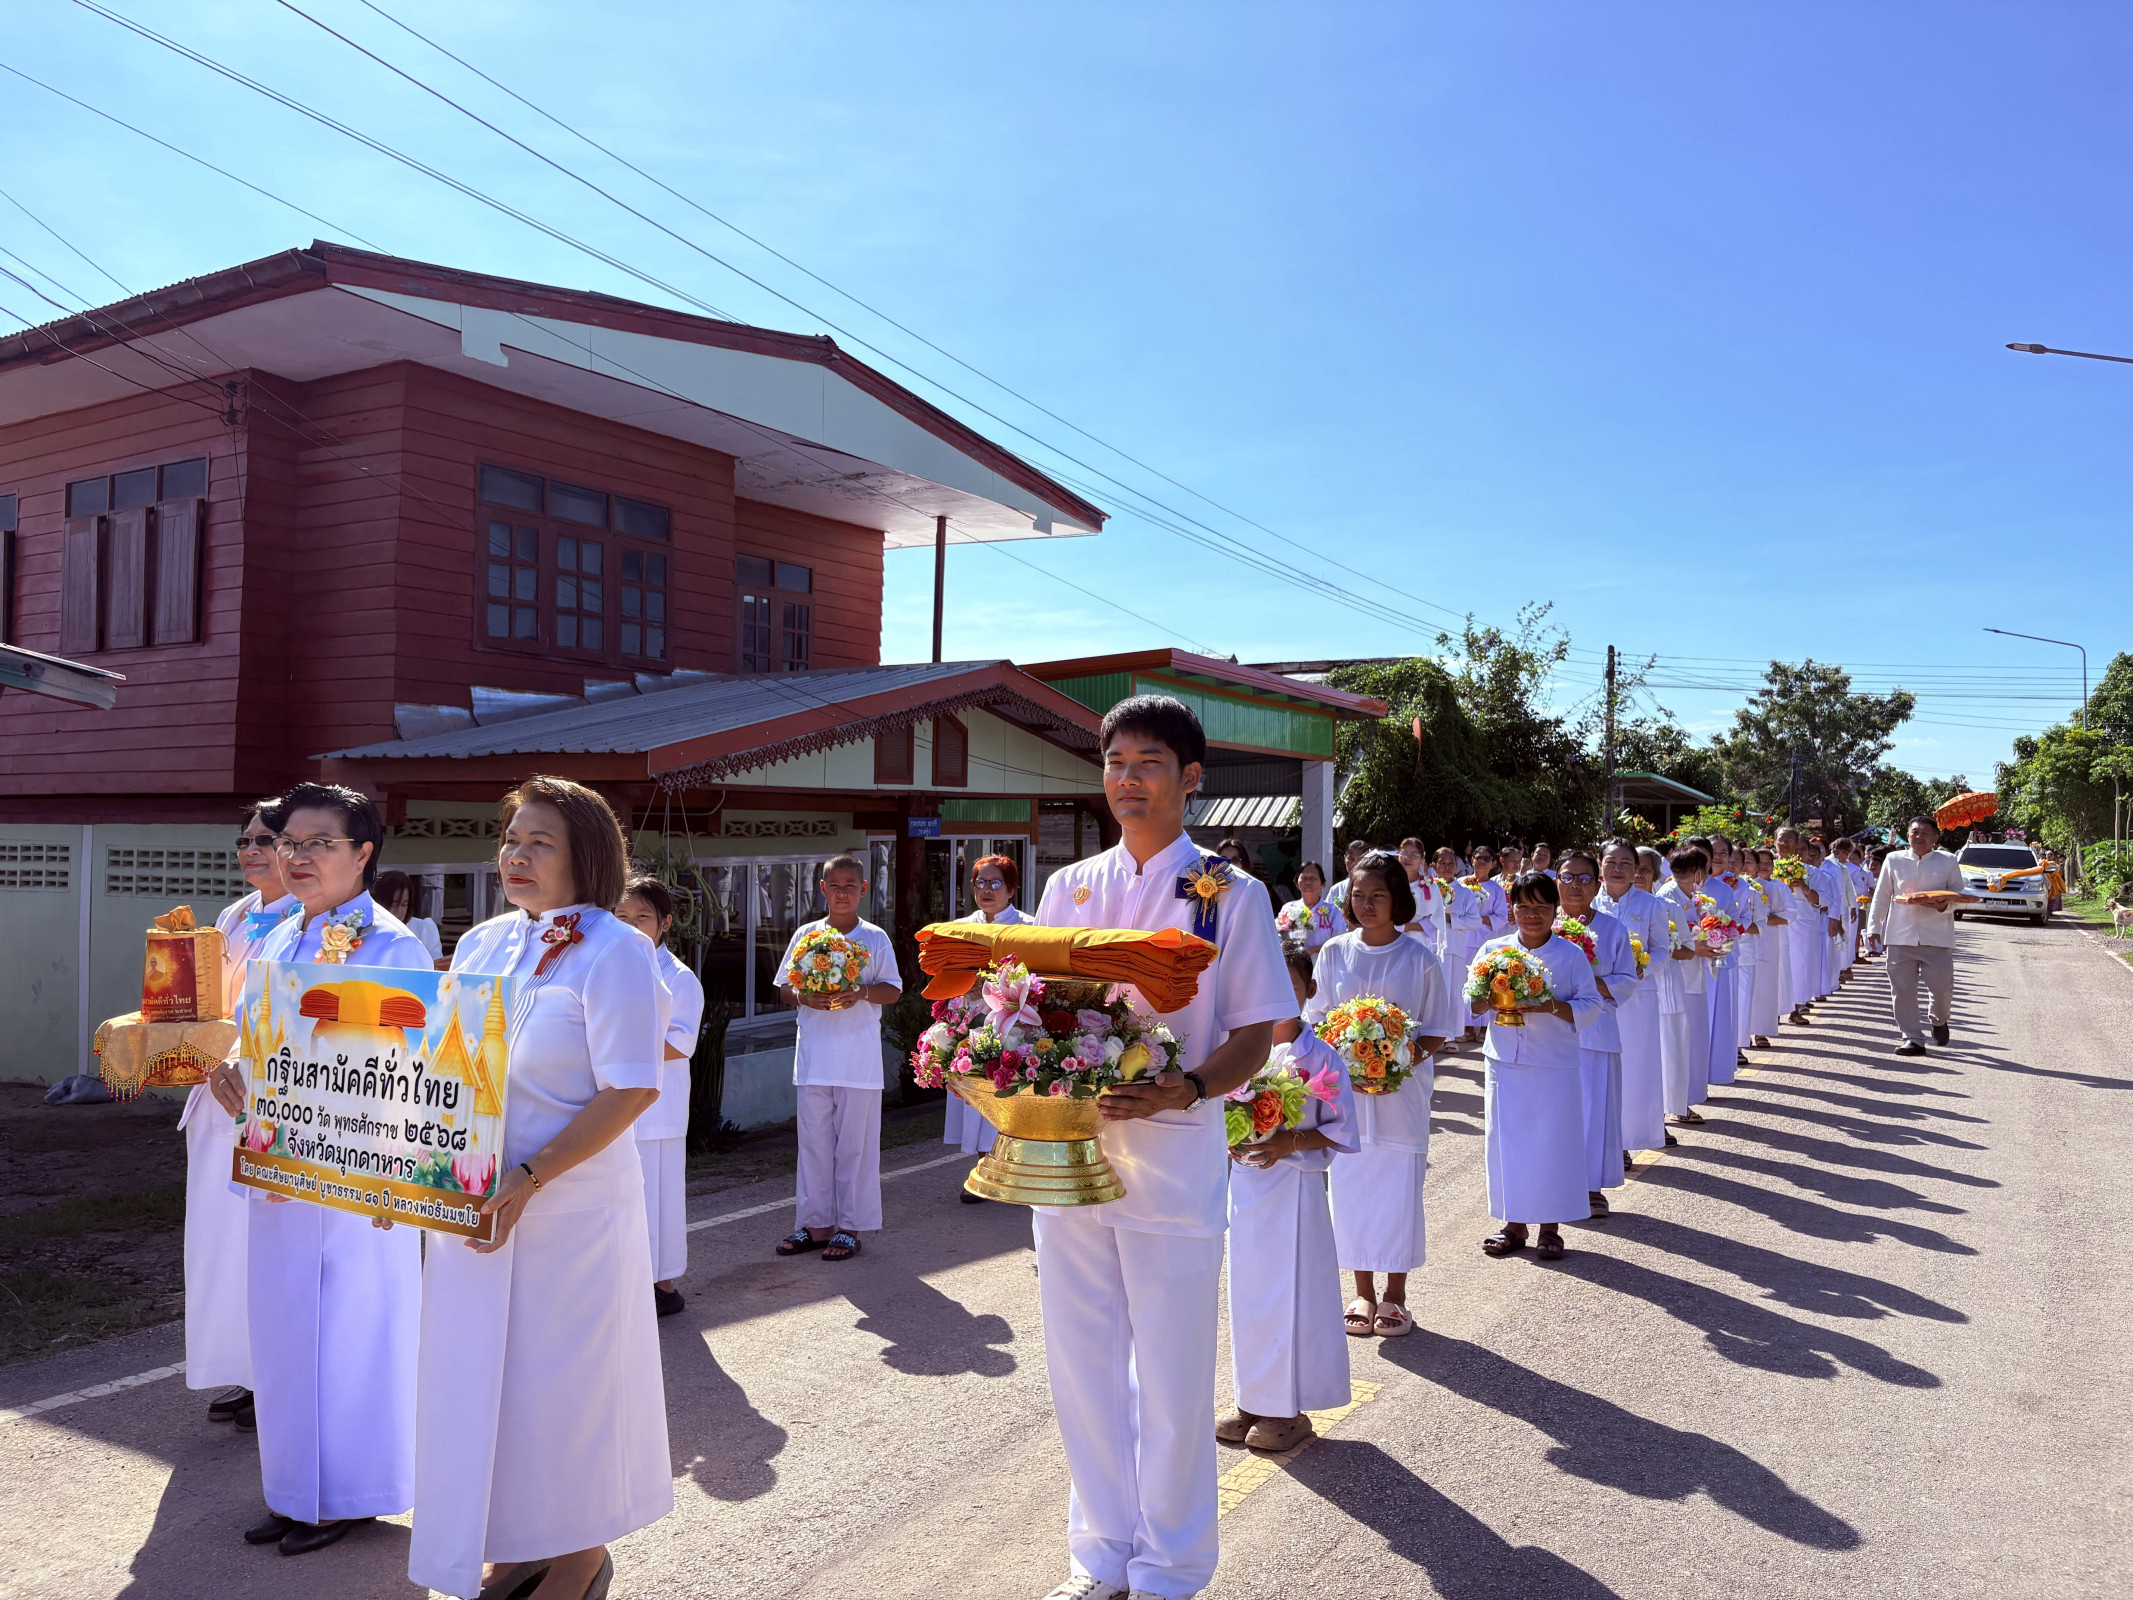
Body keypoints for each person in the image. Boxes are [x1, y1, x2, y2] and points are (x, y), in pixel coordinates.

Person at [1030, 695, 1290, 1600]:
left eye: (1146, 763)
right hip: (1072, 1158)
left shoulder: (1228, 893)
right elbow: (1034, 1014)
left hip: (1174, 1154)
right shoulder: (1068, 889)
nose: (1126, 780)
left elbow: (1256, 1031)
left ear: (1190, 779)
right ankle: (1099, 1556)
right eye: (1113, 763)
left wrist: (1187, 1087)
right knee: (1081, 1364)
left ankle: (1171, 1565)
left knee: (1172, 1373)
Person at [408, 776, 669, 1600]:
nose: (516, 856)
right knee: (482, 1381)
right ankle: (517, 1540)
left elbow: (629, 1089)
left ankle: (579, 1555)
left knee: (565, 1388)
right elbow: (446, 1069)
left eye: (539, 843)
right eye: (510, 840)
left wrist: (529, 1178)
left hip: (572, 1213)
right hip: (473, 1204)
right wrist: (404, 1172)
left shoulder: (618, 950)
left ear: (584, 854)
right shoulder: (483, 943)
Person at [203, 783, 428, 1558]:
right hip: (274, 1161)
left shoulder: (390, 945)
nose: (294, 857)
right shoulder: (278, 936)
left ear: (362, 853)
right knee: (283, 1332)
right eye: (287, 843)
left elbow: (406, 1064)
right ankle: (295, 1492)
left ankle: (348, 1495)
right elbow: (254, 1032)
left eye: (317, 843)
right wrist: (232, 1071)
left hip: (353, 1173)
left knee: (349, 1335)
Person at [1218, 946, 1358, 1454]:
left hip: (1295, 1194)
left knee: (1289, 1295)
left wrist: (1288, 1142)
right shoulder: (1236, 1048)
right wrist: (1228, 1137)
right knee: (1249, 1296)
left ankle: (1288, 1409)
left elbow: (1341, 1131)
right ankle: (1252, 1400)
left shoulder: (1321, 1057)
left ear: (1309, 991)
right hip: (1247, 1191)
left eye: (1291, 985)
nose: (1279, 995)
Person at [187, 800, 298, 1432]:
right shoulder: (235, 915)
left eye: (267, 839)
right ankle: (243, 1369)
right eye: (244, 839)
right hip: (216, 1094)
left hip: (268, 1097)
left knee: (263, 1241)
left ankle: (273, 1375)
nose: (251, 850)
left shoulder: (311, 923)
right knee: (220, 1242)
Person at [1312, 851, 1447, 1340]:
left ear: (1398, 900)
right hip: (1345, 1095)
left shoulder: (1420, 957)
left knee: (1396, 1191)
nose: (1366, 904)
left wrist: (1395, 1064)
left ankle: (1396, 1295)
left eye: (1378, 895)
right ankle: (1361, 1291)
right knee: (1351, 1188)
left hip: (1401, 1095)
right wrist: (1346, 1063)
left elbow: (1436, 1031)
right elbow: (1320, 1022)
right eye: (1359, 895)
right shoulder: (1333, 953)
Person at [773, 855, 902, 1262]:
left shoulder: (875, 938)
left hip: (858, 1062)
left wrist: (861, 992)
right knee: (813, 1145)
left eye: (850, 884)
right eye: (834, 884)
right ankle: (816, 1225)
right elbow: (783, 987)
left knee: (855, 1148)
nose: (842, 891)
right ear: (822, 889)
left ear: (863, 889)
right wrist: (804, 996)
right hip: (814, 1057)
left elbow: (894, 989)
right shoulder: (806, 935)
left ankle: (850, 1227)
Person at [1473, 872, 1603, 1260]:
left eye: (1541, 907)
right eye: (1524, 907)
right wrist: (1492, 999)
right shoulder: (1493, 950)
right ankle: (1513, 1224)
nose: (1532, 915)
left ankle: (1551, 1227)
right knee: (1508, 1144)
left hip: (1553, 1064)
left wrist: (1549, 1005)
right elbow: (1473, 1003)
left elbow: (1591, 1005)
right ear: (1512, 909)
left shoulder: (1570, 955)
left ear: (1555, 910)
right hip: (1505, 1062)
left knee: (1552, 1145)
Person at [618, 873, 703, 1315]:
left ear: (665, 924)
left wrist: (618, 1045)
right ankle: (628, 1284)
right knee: (622, 1200)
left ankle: (662, 1285)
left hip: (659, 1107)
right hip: (615, 1109)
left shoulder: (679, 978)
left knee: (660, 1200)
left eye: (643, 917)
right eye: (622, 916)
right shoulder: (610, 968)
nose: (633, 926)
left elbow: (679, 1044)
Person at [1556, 849, 1637, 1217]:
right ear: (1556, 881)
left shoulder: (1612, 929)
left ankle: (1590, 1186)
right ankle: (1552, 1184)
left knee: (1592, 1111)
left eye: (1585, 878)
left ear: (1596, 884)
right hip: (1550, 1033)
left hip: (1595, 1031)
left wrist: (1592, 983)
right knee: (1554, 1113)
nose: (1576, 885)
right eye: (1568, 877)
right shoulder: (1541, 924)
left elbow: (1626, 980)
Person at [944, 854, 1026, 1192]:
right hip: (973, 1020)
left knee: (1011, 1095)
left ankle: (1012, 1170)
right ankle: (982, 1170)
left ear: (1011, 889)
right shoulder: (963, 929)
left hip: (1015, 1021)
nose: (986, 890)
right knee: (977, 1094)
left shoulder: (1030, 928)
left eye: (995, 883)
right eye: (980, 883)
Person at [1867, 816, 1975, 1057]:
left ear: (1936, 837)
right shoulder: (1893, 860)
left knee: (1942, 989)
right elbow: (1882, 895)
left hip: (1937, 937)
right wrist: (1874, 927)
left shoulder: (1947, 861)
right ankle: (1912, 1038)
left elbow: (1959, 896)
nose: (1919, 836)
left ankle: (1939, 1020)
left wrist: (1941, 906)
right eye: (1914, 832)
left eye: (1925, 832)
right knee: (1902, 990)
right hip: (1900, 935)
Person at [1596, 840, 1670, 1156]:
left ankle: (1628, 1141)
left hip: (1639, 998)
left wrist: (1642, 969)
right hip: (1596, 1000)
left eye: (1626, 863)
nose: (1618, 869)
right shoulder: (1586, 904)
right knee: (1602, 1071)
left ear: (1637, 869)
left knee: (1636, 1068)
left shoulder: (1651, 905)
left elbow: (1662, 950)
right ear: (1600, 864)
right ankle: (1603, 1142)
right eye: (1611, 861)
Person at [1655, 846, 1713, 1128]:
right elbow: (1666, 942)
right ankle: (1675, 1106)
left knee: (1689, 1043)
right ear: (1698, 871)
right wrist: (1695, 947)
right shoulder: (1667, 897)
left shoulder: (1695, 896)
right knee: (1674, 1045)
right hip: (1673, 979)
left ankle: (1685, 1098)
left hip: (1693, 976)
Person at [1429, 846, 1484, 1046]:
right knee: (1432, 994)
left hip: (1454, 948)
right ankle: (1431, 1036)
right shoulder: (1427, 889)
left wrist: (1450, 918)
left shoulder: (1465, 892)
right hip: (1430, 948)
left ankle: (1450, 1036)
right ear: (1434, 866)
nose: (1446, 867)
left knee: (1453, 994)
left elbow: (1475, 921)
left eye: (1451, 863)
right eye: (1442, 863)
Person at [1748, 846, 1790, 1047]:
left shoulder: (1773, 889)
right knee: (1744, 993)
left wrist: (1760, 921)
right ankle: (1741, 1034)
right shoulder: (1733, 886)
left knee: (1764, 991)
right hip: (1742, 947)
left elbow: (1785, 916)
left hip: (1766, 944)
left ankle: (1761, 1032)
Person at [373, 870, 445, 966]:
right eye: (394, 904)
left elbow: (437, 966)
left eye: (404, 904)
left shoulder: (425, 929)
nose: (399, 911)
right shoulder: (367, 931)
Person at [1275, 860, 1343, 954]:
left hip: (1324, 965)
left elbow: (1340, 944)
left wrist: (1315, 949)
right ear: (1297, 884)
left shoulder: (1333, 912)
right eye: (1304, 878)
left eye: (1313, 878)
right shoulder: (1288, 909)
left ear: (1322, 884)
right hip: (1295, 966)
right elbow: (1278, 939)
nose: (1308, 882)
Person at [1324, 839, 1370, 923]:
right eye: (1351, 859)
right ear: (1345, 858)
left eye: (1359, 860)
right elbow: (1326, 917)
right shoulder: (1336, 889)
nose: (1354, 864)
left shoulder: (1374, 886)